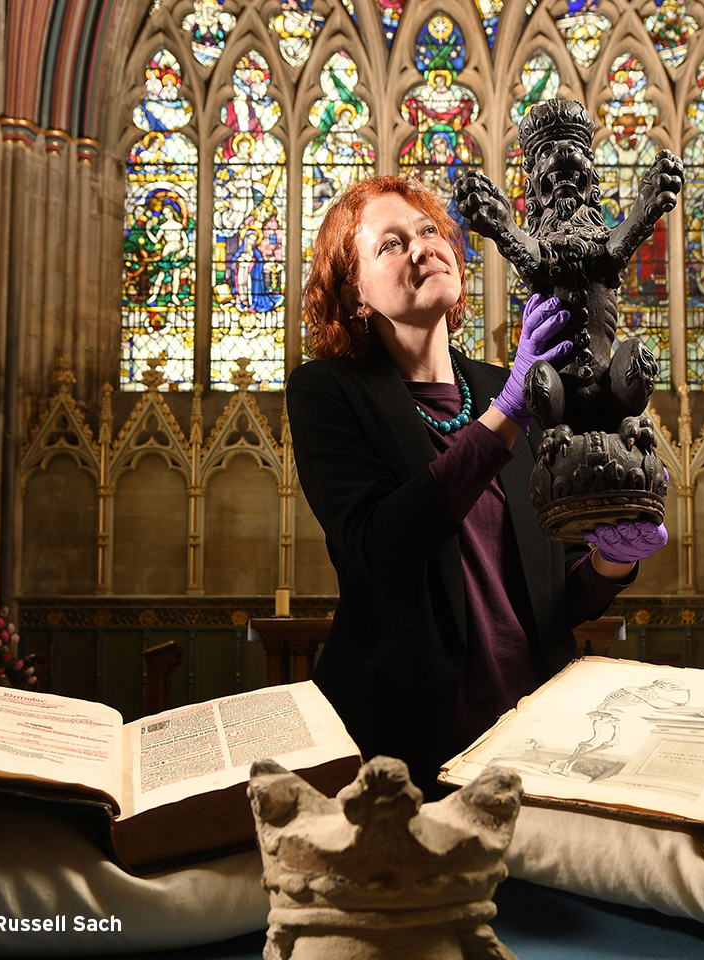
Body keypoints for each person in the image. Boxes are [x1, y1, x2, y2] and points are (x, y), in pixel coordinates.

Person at [287, 174, 668, 792]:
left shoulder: (503, 387)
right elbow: (378, 547)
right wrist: (511, 409)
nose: (422, 247)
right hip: (410, 748)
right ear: (353, 292)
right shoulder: (328, 393)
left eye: (430, 230)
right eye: (389, 243)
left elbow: (553, 601)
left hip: (535, 736)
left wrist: (608, 562)